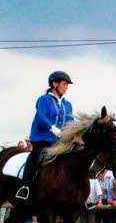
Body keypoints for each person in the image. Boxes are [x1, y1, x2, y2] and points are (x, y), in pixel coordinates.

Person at [18, 70, 74, 202]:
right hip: (42, 138)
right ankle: (25, 186)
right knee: (35, 156)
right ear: (55, 84)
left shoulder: (67, 104)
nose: (66, 87)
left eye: (67, 85)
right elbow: (42, 116)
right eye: (64, 84)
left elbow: (71, 121)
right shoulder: (43, 100)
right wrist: (52, 128)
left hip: (59, 141)